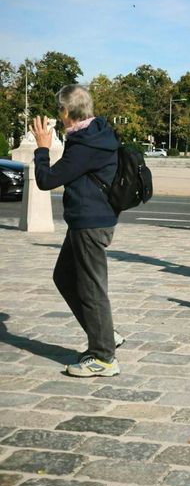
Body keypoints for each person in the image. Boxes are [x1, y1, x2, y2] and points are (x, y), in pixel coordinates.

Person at [30, 84, 124, 377]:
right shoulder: (95, 133)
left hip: (90, 224)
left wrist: (43, 147)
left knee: (91, 288)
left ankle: (104, 357)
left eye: (60, 109)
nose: (58, 114)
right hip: (88, 220)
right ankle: (104, 333)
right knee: (64, 277)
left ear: (68, 111)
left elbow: (47, 180)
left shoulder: (85, 145)